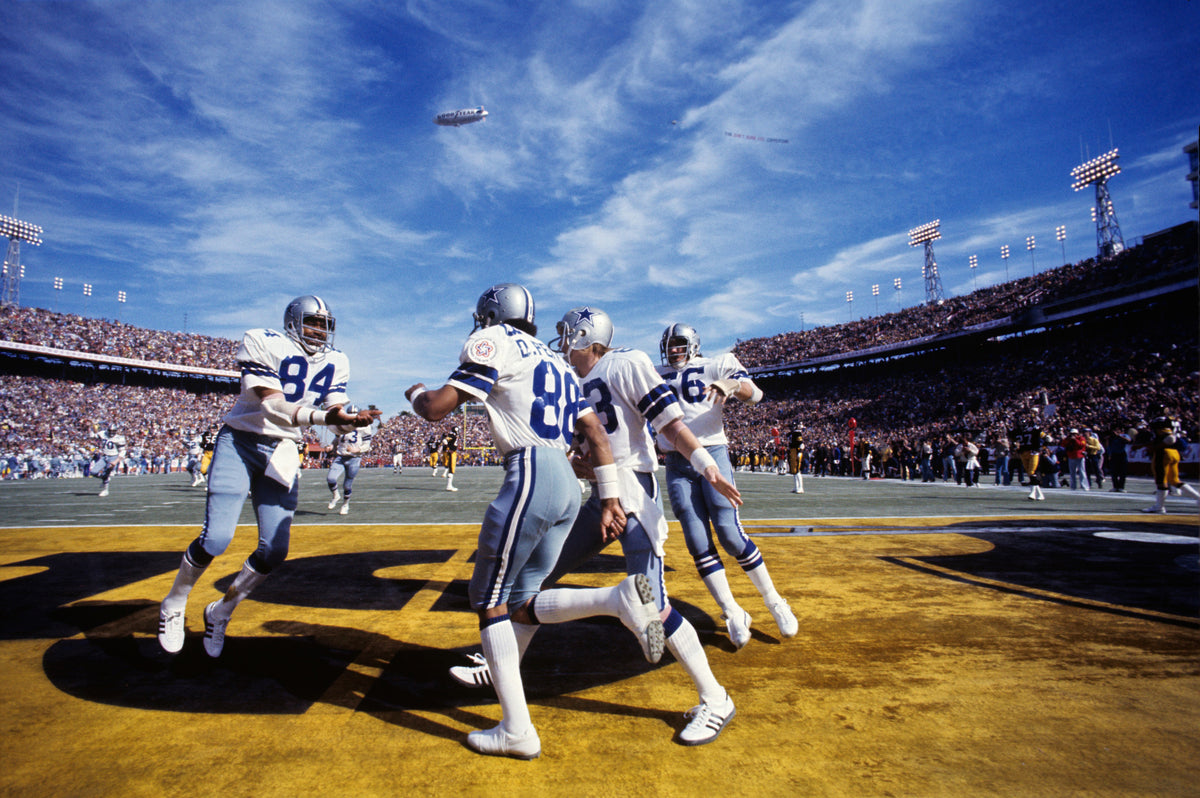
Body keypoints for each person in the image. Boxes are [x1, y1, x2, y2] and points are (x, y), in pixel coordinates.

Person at [448, 306, 744, 748]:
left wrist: (704, 465)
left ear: (588, 337)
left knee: (652, 602)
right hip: (604, 495)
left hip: (634, 492)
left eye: (569, 333)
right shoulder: (569, 379)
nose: (561, 340)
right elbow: (589, 446)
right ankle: (502, 662)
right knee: (533, 582)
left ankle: (715, 698)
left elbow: (669, 422)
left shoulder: (626, 362)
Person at [406, 284, 648, 760]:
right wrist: (608, 498)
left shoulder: (493, 339)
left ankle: (517, 730)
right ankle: (614, 598)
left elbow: (437, 408)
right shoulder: (558, 362)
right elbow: (596, 434)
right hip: (567, 486)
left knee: (488, 600)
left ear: (491, 314)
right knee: (521, 602)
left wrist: (415, 392)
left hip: (532, 472)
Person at [157, 295, 380, 659]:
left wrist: (348, 420)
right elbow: (273, 405)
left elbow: (333, 408)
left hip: (283, 450)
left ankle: (221, 611)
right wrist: (327, 420)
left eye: (325, 325)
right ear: (293, 321)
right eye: (312, 322)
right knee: (216, 539)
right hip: (241, 442)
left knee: (274, 551)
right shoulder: (263, 340)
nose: (319, 331)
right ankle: (174, 602)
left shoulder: (337, 360)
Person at [655, 322, 798, 648]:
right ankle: (732, 610)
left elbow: (755, 394)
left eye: (679, 344)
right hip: (677, 463)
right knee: (695, 538)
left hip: (713, 453)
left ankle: (774, 599)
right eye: (670, 345)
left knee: (730, 534)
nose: (674, 350)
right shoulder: (654, 372)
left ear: (692, 344)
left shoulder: (716, 364)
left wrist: (729, 385)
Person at [1139, 406, 1200, 513]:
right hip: (1174, 452)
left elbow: (1169, 438)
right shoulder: (1172, 421)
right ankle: (1198, 498)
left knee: (1161, 481)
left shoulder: (1161, 423)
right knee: (1175, 481)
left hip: (1163, 453)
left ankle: (1159, 507)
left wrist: (1155, 447)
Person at [326, 410, 378, 515]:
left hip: (354, 458)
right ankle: (336, 495)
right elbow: (337, 439)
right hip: (341, 456)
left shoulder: (365, 427)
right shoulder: (342, 423)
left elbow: (367, 445)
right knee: (330, 478)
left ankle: (345, 504)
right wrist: (331, 446)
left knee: (347, 485)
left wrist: (357, 450)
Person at [91, 423, 127, 497]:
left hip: (113, 457)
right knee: (93, 471)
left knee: (107, 473)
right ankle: (104, 478)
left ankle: (105, 490)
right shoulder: (103, 434)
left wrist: (115, 461)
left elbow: (123, 451)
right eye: (110, 431)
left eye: (113, 431)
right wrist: (90, 427)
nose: (111, 432)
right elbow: (93, 436)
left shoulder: (119, 438)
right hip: (104, 456)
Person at [786, 422, 806, 493]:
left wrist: (800, 452)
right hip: (792, 452)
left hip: (796, 451)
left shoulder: (797, 433)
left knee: (797, 470)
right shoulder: (791, 434)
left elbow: (801, 444)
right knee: (794, 471)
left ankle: (801, 487)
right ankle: (796, 486)